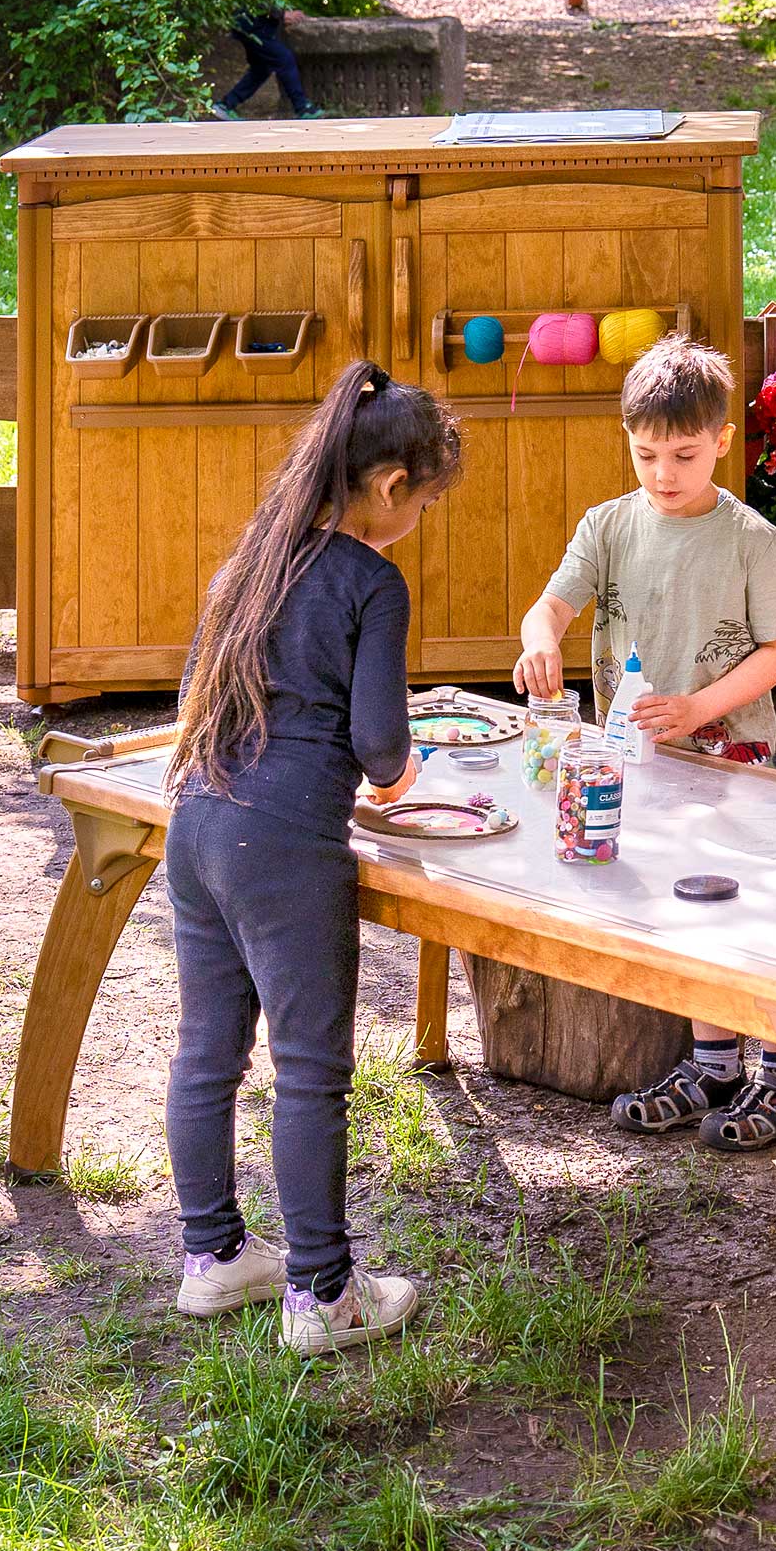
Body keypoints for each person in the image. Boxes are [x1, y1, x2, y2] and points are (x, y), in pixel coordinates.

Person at [165, 360, 462, 1352]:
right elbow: (380, 751)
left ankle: (210, 1261)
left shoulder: (259, 552)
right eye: (422, 501)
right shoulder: (372, 580)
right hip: (285, 848)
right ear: (389, 488)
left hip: (199, 821)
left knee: (207, 1053)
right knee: (308, 1075)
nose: (416, 518)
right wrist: (403, 772)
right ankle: (322, 1297)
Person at [513, 336, 776, 1151]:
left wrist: (700, 708)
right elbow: (552, 607)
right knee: (686, 911)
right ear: (627, 438)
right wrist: (539, 640)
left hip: (730, 761)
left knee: (752, 911)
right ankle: (714, 1063)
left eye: (684, 454)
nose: (664, 473)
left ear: (721, 440)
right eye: (646, 454)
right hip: (638, 759)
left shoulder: (751, 538)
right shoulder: (608, 525)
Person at [209, 0, 323, 121]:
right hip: (251, 25)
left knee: (261, 68)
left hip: (254, 25)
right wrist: (282, 14)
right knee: (284, 59)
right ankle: (302, 108)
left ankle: (225, 105)